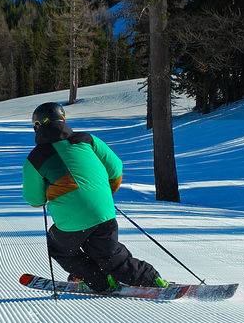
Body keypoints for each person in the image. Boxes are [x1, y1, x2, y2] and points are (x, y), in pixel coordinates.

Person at [21, 101, 166, 294]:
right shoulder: (87, 139)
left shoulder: (35, 158)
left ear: (37, 126)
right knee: (110, 255)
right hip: (104, 212)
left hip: (71, 221)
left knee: (59, 247)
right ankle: (151, 279)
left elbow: (34, 199)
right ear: (63, 119)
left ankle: (100, 281)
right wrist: (102, 193)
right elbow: (116, 168)